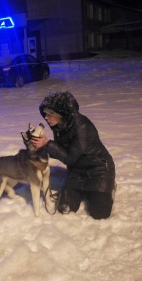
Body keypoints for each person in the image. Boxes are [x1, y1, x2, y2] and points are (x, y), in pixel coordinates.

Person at [31, 91, 116, 219]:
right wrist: (42, 146)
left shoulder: (81, 126)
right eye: (45, 113)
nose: (46, 117)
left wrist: (47, 143)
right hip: (76, 171)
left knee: (99, 214)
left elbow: (70, 157)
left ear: (62, 113)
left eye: (51, 113)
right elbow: (61, 152)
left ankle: (109, 188)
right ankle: (84, 191)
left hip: (99, 170)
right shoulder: (60, 126)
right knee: (65, 209)